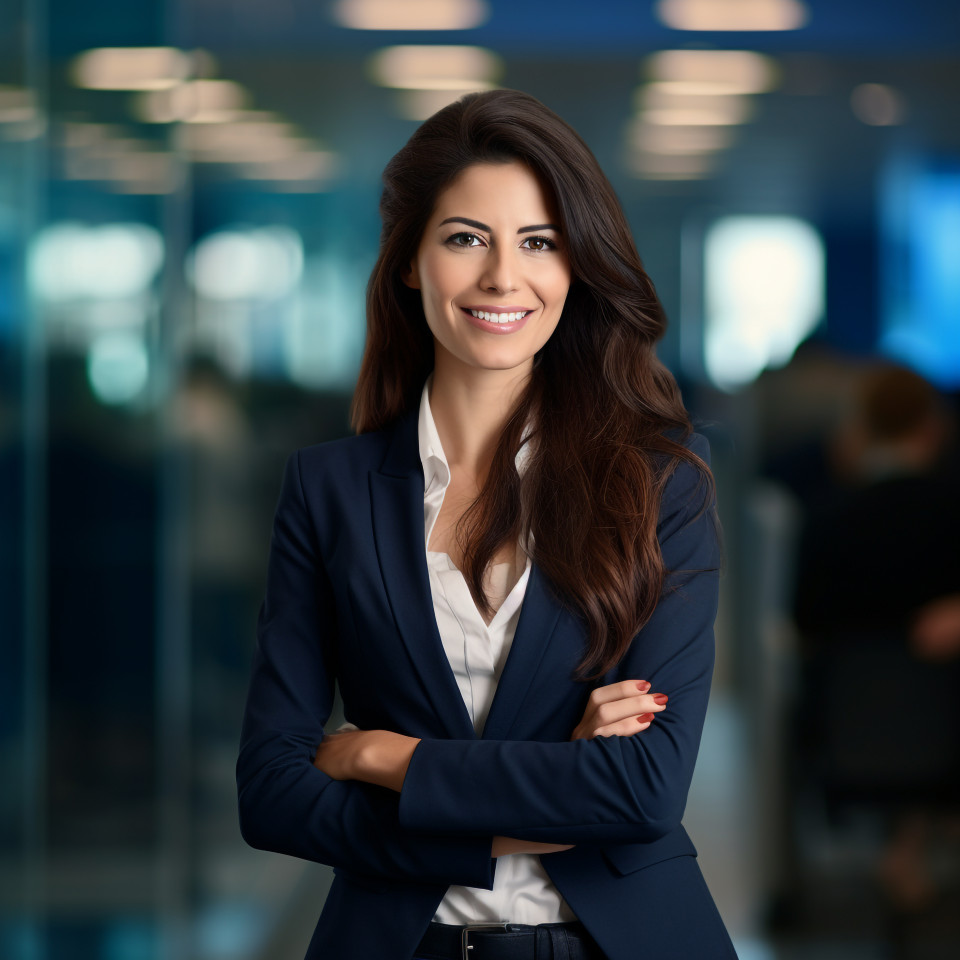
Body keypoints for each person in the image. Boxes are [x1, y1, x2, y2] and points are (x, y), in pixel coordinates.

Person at [236, 89, 736, 960]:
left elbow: (645, 791)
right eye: (466, 238)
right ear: (410, 261)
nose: (504, 277)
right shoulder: (328, 489)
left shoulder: (659, 481)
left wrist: (384, 759)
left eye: (539, 242)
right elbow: (272, 792)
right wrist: (535, 806)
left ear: (576, 266)